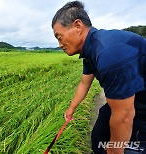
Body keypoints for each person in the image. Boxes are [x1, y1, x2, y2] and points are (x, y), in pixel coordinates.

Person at [52, 1, 146, 154]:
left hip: (140, 110)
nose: (59, 44)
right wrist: (71, 108)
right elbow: (84, 83)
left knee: (122, 147)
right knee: (99, 137)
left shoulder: (109, 53)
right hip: (129, 102)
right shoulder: (90, 51)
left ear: (77, 26)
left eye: (59, 37)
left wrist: (114, 151)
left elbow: (124, 116)